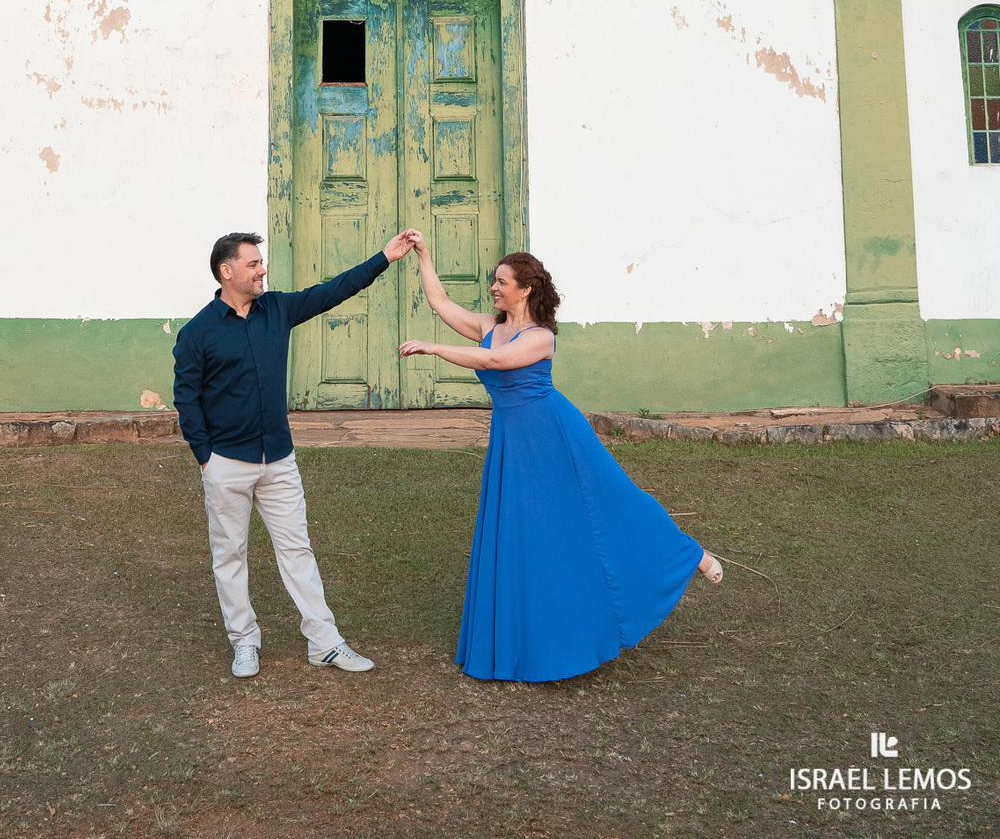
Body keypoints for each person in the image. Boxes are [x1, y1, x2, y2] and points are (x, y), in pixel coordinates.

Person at [398, 235, 722, 683]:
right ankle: (534, 638)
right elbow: (439, 302)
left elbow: (495, 361)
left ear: (525, 289)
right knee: (531, 533)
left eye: (501, 282)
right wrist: (425, 255)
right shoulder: (488, 326)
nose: (494, 288)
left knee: (616, 502)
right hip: (513, 440)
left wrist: (434, 349)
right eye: (494, 281)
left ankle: (688, 555)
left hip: (555, 435)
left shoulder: (541, 337)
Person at [174, 228, 416, 678]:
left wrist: (386, 256)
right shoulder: (197, 333)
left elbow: (333, 291)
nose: (262, 269)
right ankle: (244, 640)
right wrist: (206, 458)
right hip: (226, 464)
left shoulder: (278, 309)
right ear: (227, 272)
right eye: (252, 264)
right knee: (230, 555)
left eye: (260, 262)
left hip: (279, 461)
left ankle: (324, 643)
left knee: (297, 551)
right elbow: (187, 399)